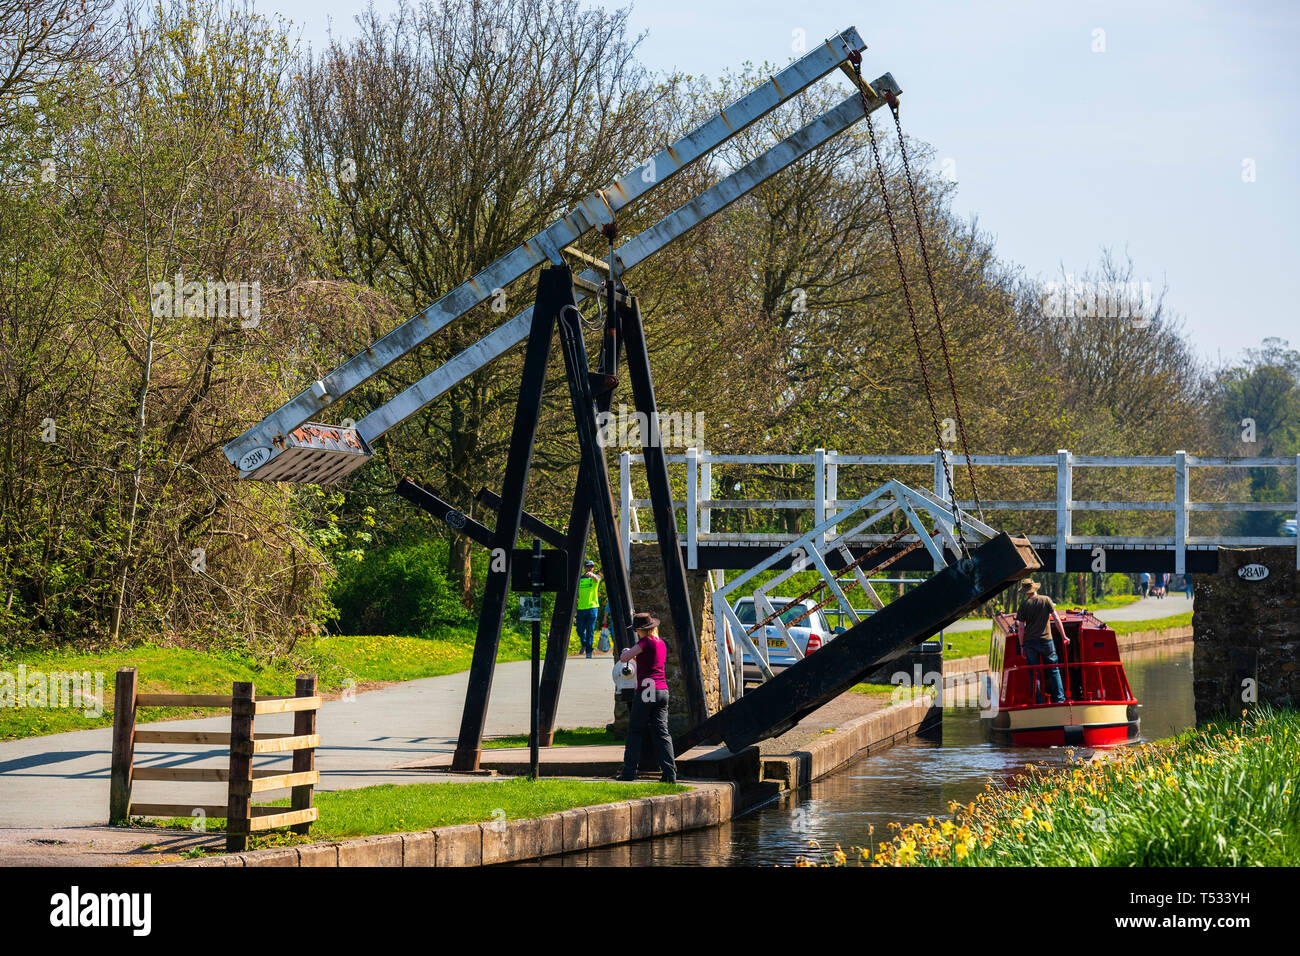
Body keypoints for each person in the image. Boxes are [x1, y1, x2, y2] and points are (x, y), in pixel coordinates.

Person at [617, 611, 676, 783]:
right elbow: (647, 659)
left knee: (635, 730)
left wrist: (627, 651)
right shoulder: (660, 643)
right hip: (662, 690)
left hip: (647, 690)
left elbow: (623, 658)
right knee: (662, 732)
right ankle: (669, 773)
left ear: (639, 630)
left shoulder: (644, 642)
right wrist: (633, 653)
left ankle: (629, 772)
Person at [1015, 579, 1066, 705]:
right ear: (1035, 588)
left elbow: (1021, 628)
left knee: (1034, 672)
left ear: (1025, 592)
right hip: (1046, 641)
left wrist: (1022, 645)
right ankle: (1059, 700)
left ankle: (1038, 702)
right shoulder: (1046, 600)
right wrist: (1064, 636)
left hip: (1030, 643)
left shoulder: (1023, 606)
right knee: (1054, 670)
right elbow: (1056, 619)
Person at [575, 559, 601, 659]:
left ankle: (589, 652)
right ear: (584, 568)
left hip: (592, 607)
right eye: (587, 566)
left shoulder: (596, 577)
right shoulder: (580, 579)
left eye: (591, 567)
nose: (589, 568)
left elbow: (596, 579)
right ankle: (584, 643)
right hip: (581, 608)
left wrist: (592, 575)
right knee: (579, 629)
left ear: (593, 568)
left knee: (590, 630)